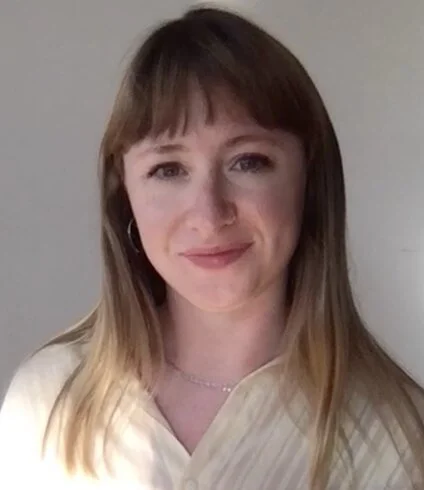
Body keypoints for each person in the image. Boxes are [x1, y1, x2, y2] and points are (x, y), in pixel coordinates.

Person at [0, 5, 423, 489]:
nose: (208, 213)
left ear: (309, 179)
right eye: (168, 169)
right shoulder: (45, 404)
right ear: (125, 193)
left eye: (248, 161)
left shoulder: (403, 441)